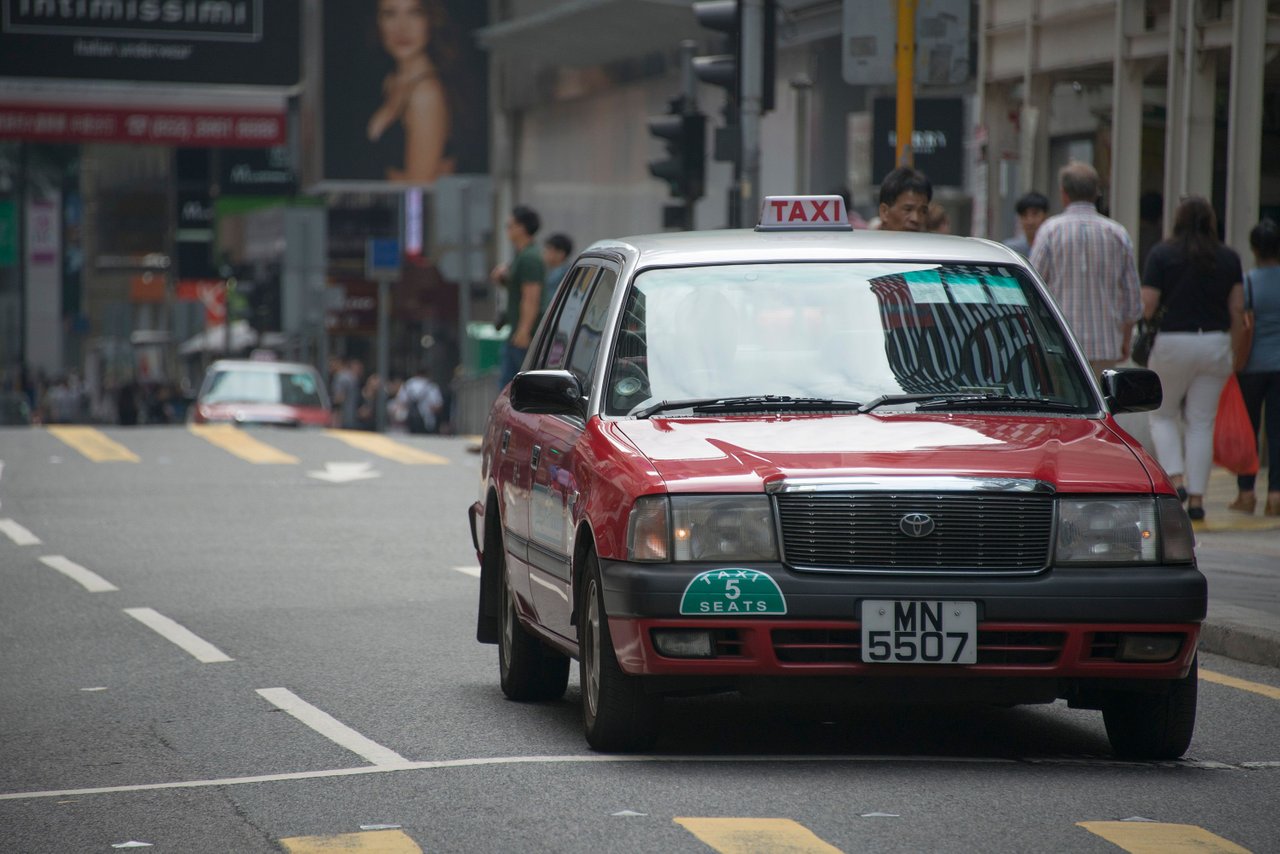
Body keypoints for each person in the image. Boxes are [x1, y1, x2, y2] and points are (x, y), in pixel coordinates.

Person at [1142, 195, 1246, 522]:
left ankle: (1176, 479)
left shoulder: (1162, 254)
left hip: (1172, 343)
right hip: (1214, 343)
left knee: (1162, 414)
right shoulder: (1229, 258)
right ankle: (1198, 499)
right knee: (1201, 422)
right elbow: (1238, 309)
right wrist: (1235, 350)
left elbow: (1147, 305)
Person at [1030, 161, 1142, 375]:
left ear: (1064, 194)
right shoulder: (1117, 233)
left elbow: (1034, 287)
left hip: (1060, 342)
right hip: (1106, 344)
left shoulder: (1050, 231)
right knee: (1101, 404)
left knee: (1065, 406)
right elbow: (1132, 297)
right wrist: (1126, 338)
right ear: (1096, 193)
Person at [366, 0, 455, 183]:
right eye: (390, 14)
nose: (402, 27)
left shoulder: (426, 94)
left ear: (430, 20)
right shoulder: (389, 81)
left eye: (415, 13)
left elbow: (419, 189)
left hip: (415, 209)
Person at [1231, 218, 1280, 516]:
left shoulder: (1248, 282)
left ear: (1253, 248)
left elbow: (1239, 323)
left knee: (1248, 432)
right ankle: (1276, 496)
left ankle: (1246, 493)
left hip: (1251, 367)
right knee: (1277, 431)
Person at [492, 205, 546, 389]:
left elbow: (531, 296)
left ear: (521, 228)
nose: (507, 229)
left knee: (513, 390)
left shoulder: (529, 258)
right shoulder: (522, 256)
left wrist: (524, 330)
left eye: (510, 225)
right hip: (516, 332)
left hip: (522, 336)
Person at [876, 166, 932, 232]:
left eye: (923, 211)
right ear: (884, 212)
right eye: (908, 209)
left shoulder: (936, 242)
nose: (916, 219)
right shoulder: (865, 242)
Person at [397, 366, 443, 434]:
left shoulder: (408, 384)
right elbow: (437, 406)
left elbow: (401, 402)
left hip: (409, 421)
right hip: (427, 421)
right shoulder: (431, 386)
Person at [1003, 191, 1050, 258]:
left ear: (1045, 216)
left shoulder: (1053, 248)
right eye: (1024, 215)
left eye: (1035, 214)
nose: (1030, 221)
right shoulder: (1010, 250)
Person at [541, 233, 573, 314]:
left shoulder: (562, 273)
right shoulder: (553, 271)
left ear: (560, 254)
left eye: (549, 249)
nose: (545, 252)